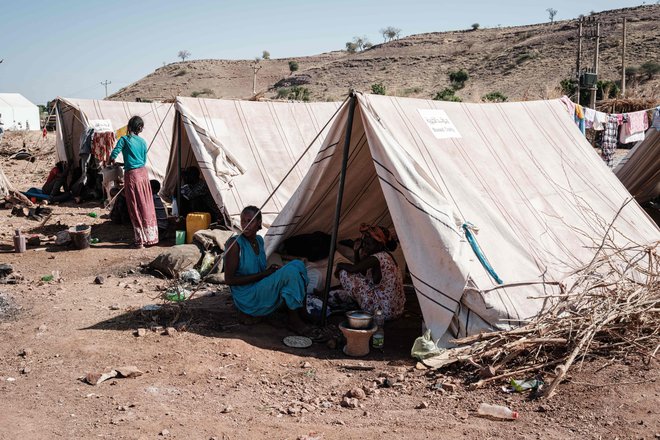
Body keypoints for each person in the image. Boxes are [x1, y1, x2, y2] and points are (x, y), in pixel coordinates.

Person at [224, 206, 309, 333]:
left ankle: (302, 311)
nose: (245, 225)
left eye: (250, 221)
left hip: (259, 285)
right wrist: (264, 274)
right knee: (290, 272)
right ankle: (294, 320)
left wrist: (271, 272)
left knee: (298, 265)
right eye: (243, 221)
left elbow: (260, 269)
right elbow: (229, 280)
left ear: (259, 223)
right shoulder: (235, 244)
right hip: (246, 295)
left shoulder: (259, 241)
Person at [332, 223, 405, 320]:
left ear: (378, 242)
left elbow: (354, 269)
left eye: (368, 244)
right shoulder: (385, 255)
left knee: (345, 273)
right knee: (355, 276)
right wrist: (356, 251)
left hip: (382, 313)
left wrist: (339, 265)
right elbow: (361, 272)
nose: (365, 246)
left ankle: (365, 308)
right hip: (395, 310)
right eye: (364, 243)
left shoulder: (376, 258)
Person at [109, 116, 158, 248]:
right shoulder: (142, 142)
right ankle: (151, 237)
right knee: (145, 204)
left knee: (135, 206)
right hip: (143, 174)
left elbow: (114, 154)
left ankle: (140, 241)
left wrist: (111, 161)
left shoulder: (124, 139)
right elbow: (142, 159)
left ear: (129, 126)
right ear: (140, 128)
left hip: (133, 176)